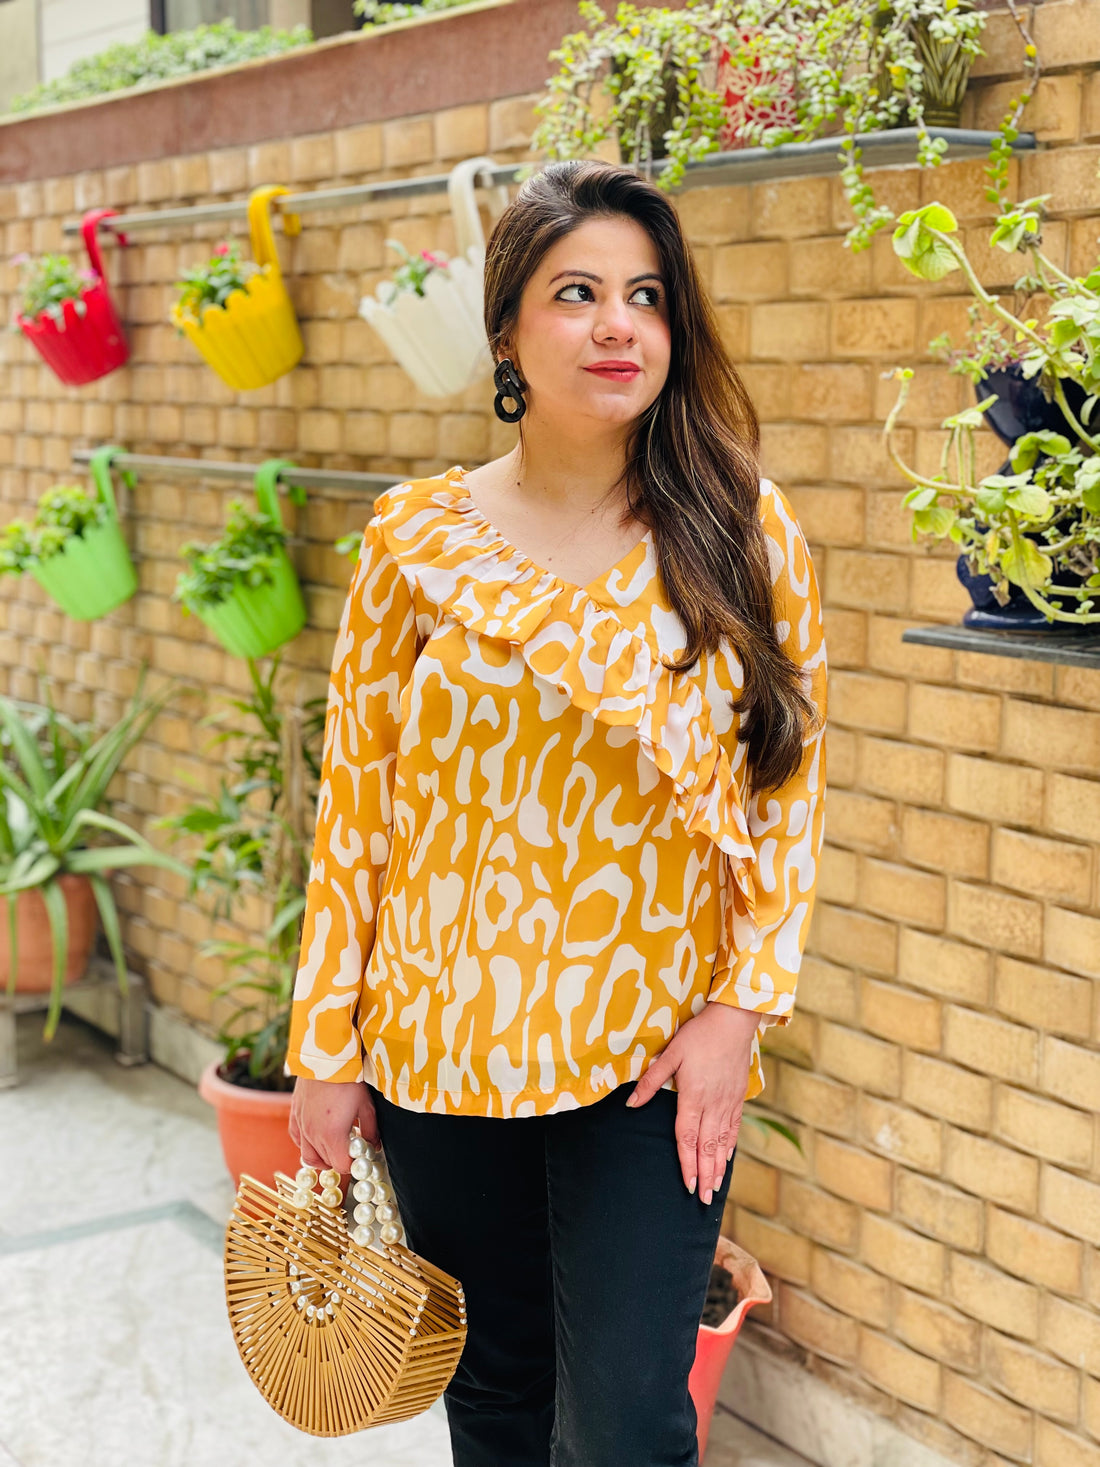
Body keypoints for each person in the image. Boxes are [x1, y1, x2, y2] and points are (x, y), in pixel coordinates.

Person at [286, 158, 827, 1467]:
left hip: (650, 1053)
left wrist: (739, 1010)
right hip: (441, 1045)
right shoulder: (416, 542)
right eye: (576, 293)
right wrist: (326, 1047)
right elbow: (357, 805)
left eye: (647, 295)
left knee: (631, 1423)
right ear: (508, 332)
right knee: (496, 1392)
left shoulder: (741, 532)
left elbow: (788, 784)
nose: (617, 324)